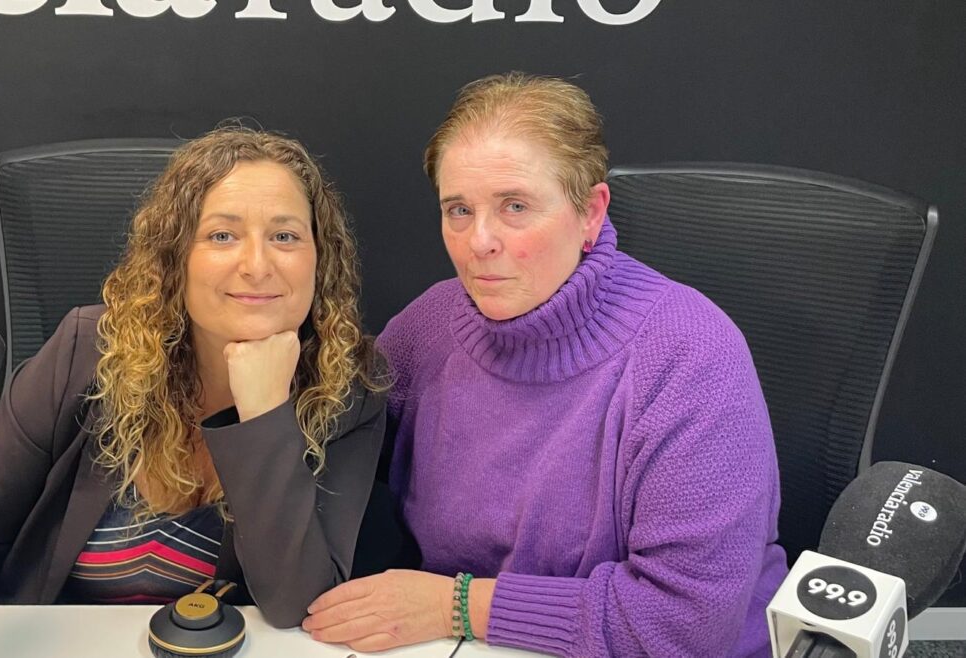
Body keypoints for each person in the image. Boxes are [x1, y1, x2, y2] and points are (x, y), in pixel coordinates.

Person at [0, 126, 388, 658]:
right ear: (175, 258)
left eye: (285, 236)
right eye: (222, 235)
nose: (258, 265)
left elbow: (297, 601)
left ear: (320, 258)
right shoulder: (85, 352)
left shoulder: (350, 386)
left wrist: (264, 414)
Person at [303, 73, 789, 657]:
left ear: (590, 213)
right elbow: (319, 465)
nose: (479, 241)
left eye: (515, 207)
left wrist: (455, 605)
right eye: (459, 210)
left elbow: (683, 624)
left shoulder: (691, 356)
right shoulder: (429, 327)